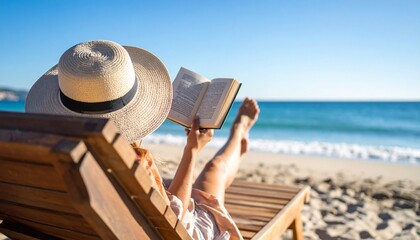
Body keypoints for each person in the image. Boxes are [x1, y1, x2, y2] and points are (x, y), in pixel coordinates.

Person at [26, 40, 259, 240]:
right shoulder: (127, 164)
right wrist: (192, 150)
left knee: (207, 175)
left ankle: (238, 138)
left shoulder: (45, 155)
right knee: (215, 169)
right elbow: (175, 222)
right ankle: (238, 133)